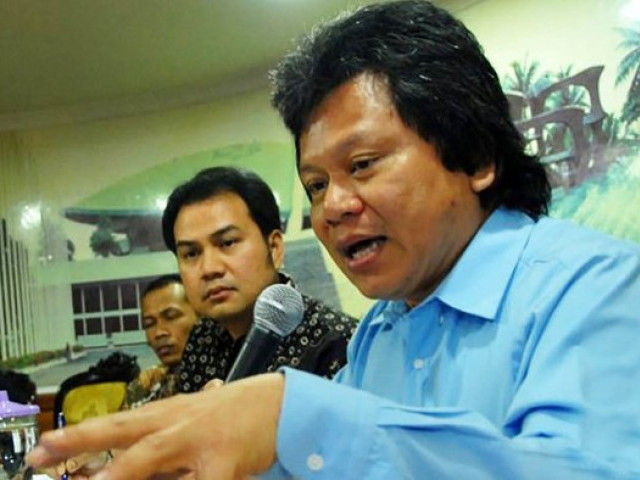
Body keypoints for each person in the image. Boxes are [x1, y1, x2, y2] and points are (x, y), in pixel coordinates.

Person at [26, 1, 640, 479]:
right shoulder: (383, 331)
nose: (333, 208)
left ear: (475, 155)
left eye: (363, 164)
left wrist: (293, 419)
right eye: (316, 185)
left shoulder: (597, 287)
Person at [160, 166, 357, 392]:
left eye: (227, 243)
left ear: (274, 248)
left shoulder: (339, 343)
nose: (209, 269)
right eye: (191, 254)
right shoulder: (202, 336)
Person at [44, 274, 198, 479]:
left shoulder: (223, 379)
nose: (159, 332)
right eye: (149, 323)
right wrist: (98, 460)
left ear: (201, 316)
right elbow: (119, 445)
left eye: (171, 316)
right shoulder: (145, 384)